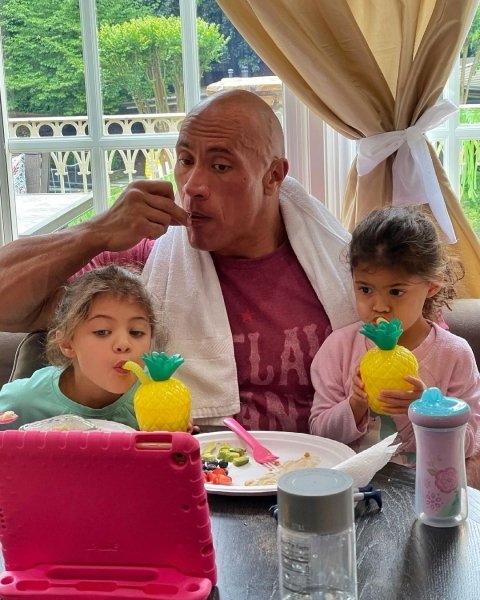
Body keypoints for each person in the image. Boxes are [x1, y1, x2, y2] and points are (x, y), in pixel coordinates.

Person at [0, 90, 357, 433]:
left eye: (220, 166)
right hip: (193, 465)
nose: (192, 186)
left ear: (273, 176)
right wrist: (97, 230)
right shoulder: (142, 267)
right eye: (186, 161)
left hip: (327, 463)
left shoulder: (346, 269)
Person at [309, 207, 480, 464]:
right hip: (355, 484)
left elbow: (469, 444)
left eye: (396, 292)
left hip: (425, 483)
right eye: (365, 289)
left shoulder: (454, 355)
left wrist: (428, 409)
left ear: (432, 286)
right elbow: (319, 434)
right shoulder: (339, 348)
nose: (379, 306)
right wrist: (355, 405)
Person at [0, 264, 155, 429]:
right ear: (67, 343)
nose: (124, 344)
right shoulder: (23, 401)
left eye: (136, 332)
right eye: (102, 332)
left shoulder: (158, 397)